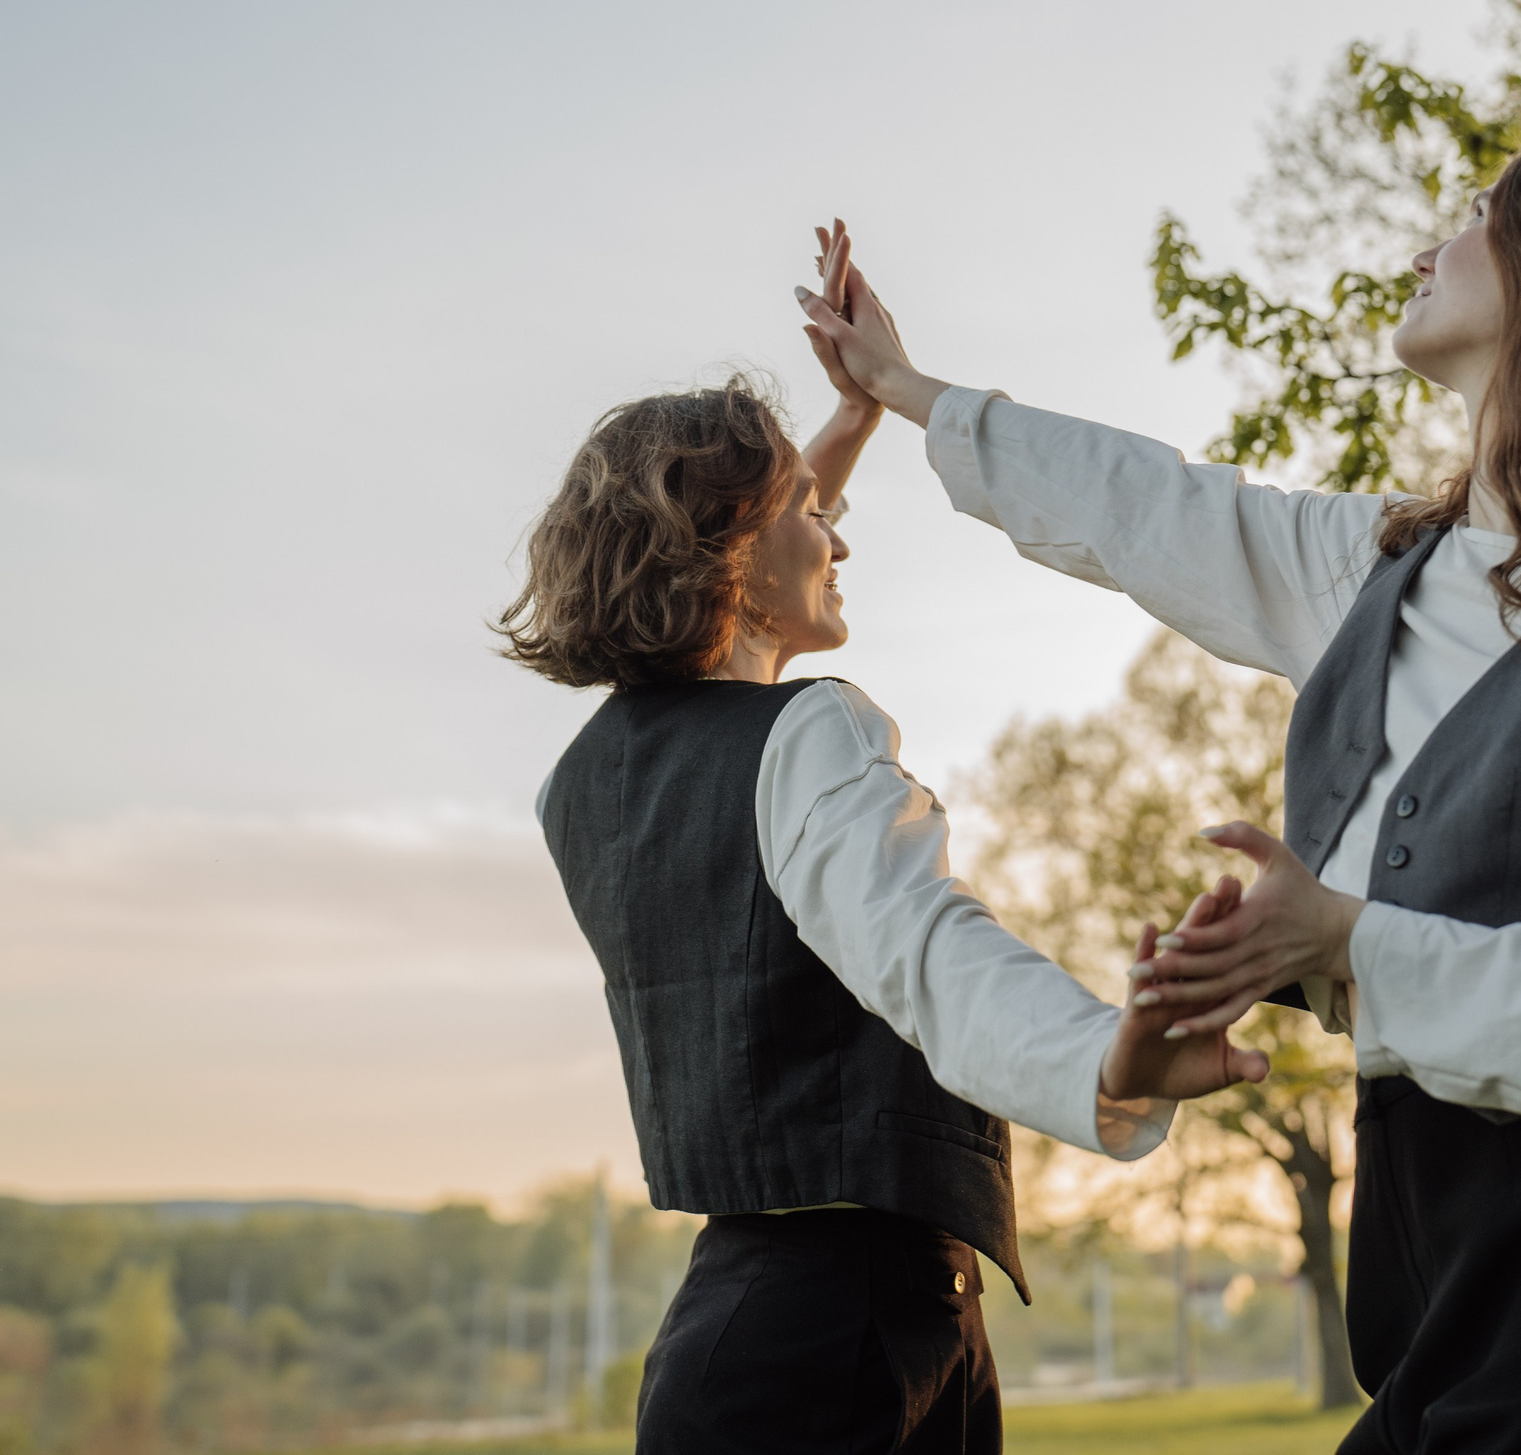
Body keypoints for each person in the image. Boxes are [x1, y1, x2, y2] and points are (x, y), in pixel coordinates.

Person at [795, 145, 1521, 1454]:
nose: (1428, 248)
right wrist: (904, 389)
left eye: (1478, 220)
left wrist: (1351, 940)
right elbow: (1151, 505)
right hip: (1430, 1276)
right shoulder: (1381, 568)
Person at [499, 229, 1264, 1455]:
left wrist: (854, 417)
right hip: (845, 1341)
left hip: (744, 1324)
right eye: (810, 514)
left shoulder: (580, 783)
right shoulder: (807, 735)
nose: (840, 535)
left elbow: (735, 563)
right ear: (731, 558)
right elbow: (919, 946)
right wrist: (1102, 1065)